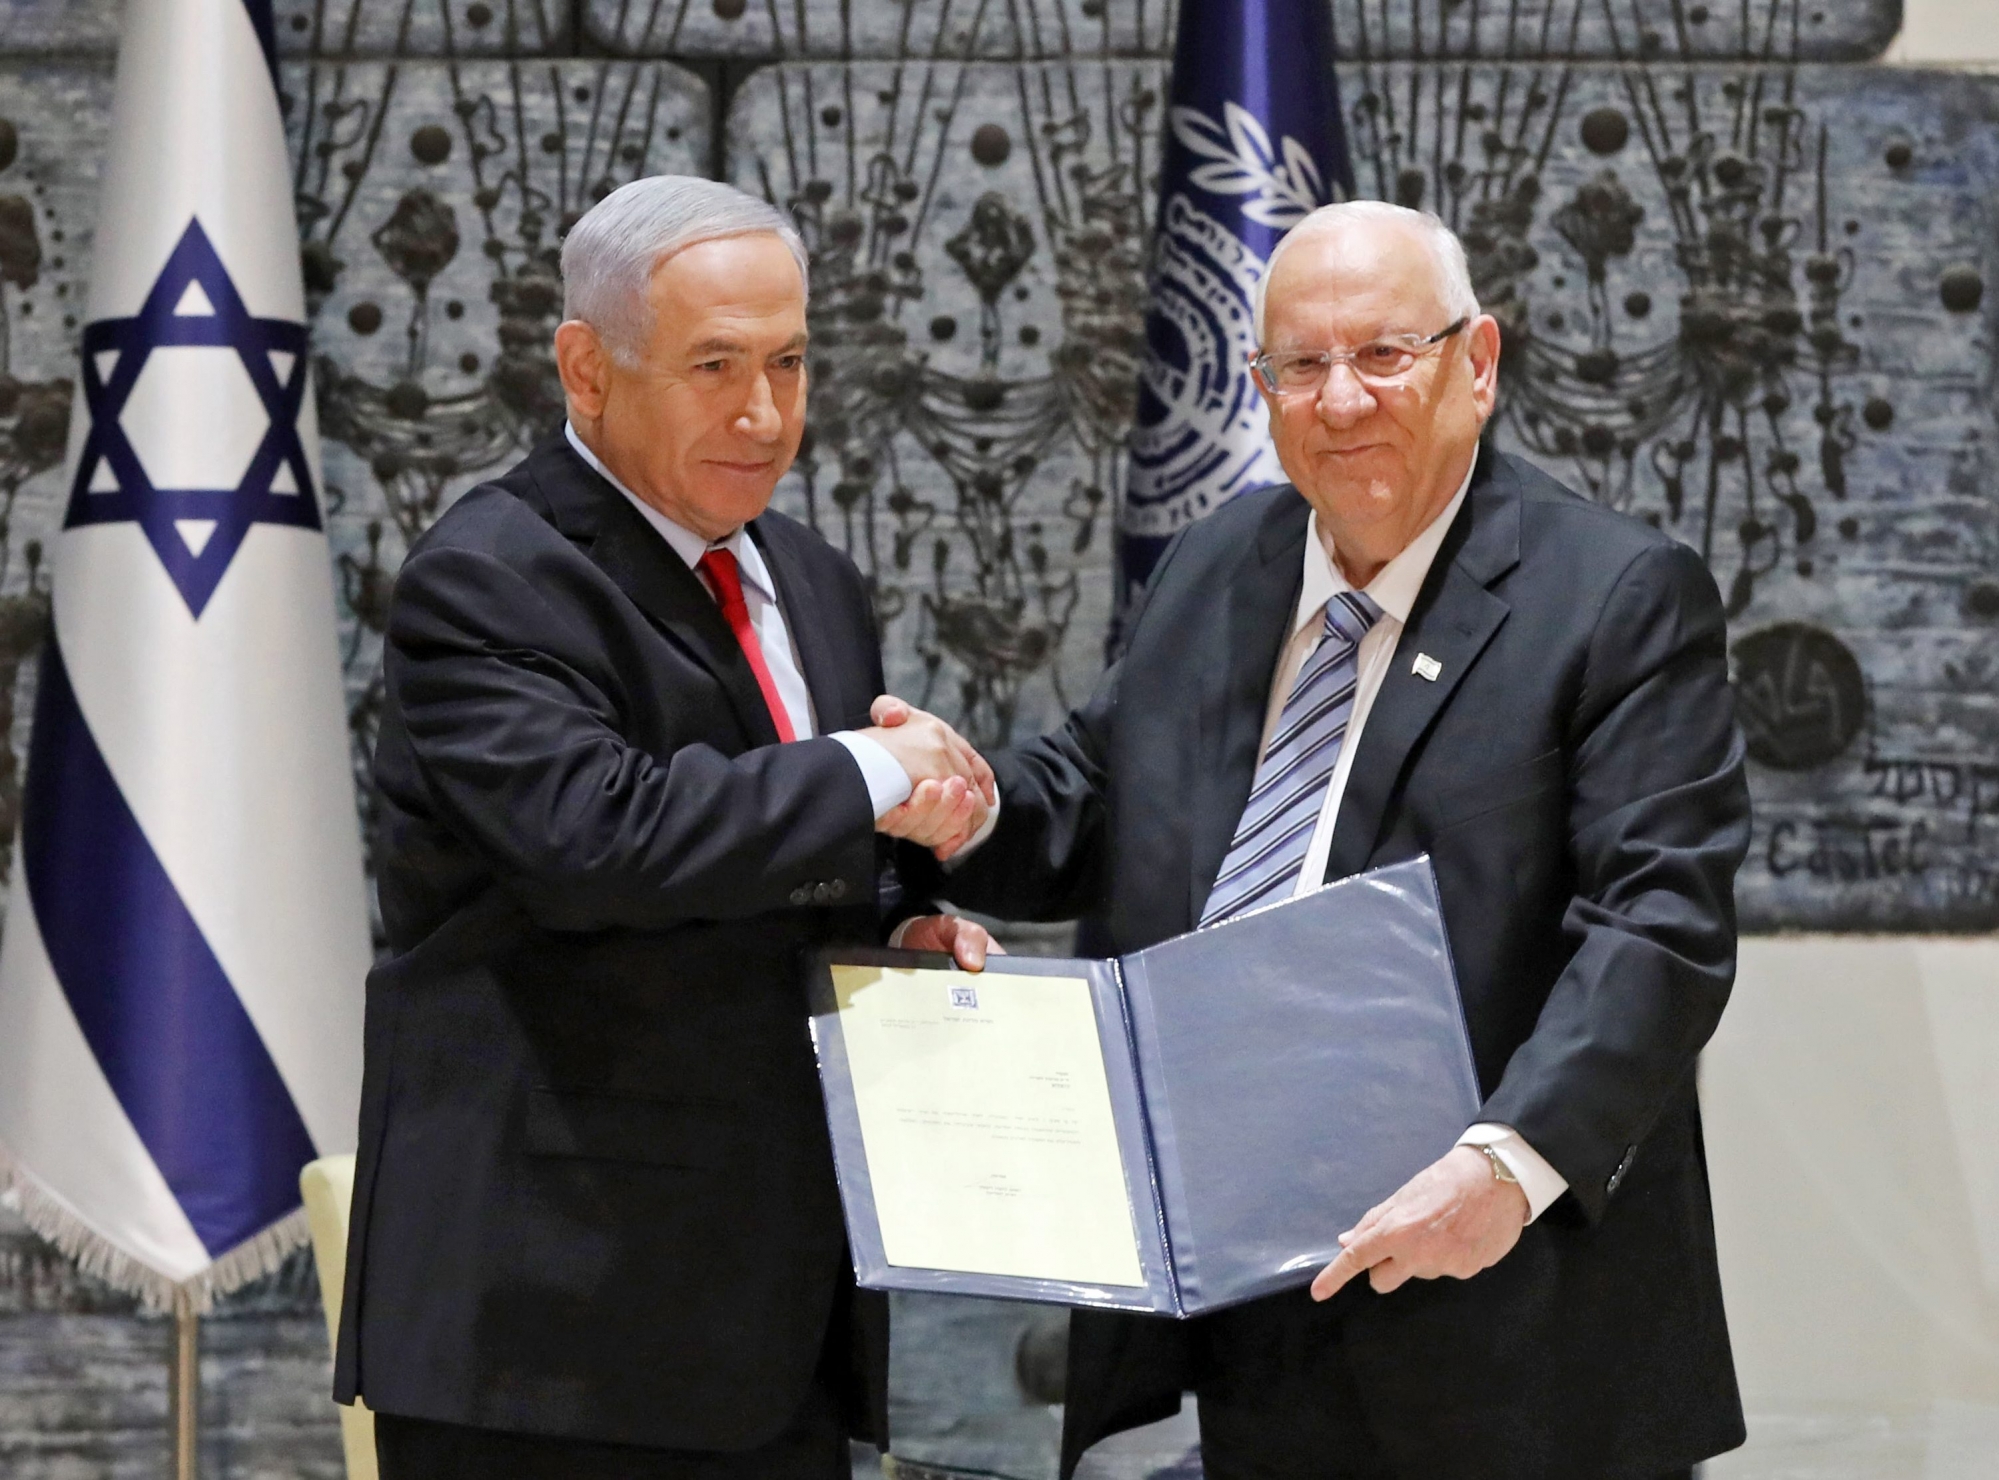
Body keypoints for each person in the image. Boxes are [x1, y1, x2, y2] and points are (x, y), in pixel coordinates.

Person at [925, 200, 1752, 1479]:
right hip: (1252, 1310)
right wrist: (954, 801)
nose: (1341, 399)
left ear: (1477, 363)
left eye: (1384, 354)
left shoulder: (1616, 598)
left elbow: (1658, 928)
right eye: (1301, 366)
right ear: (1259, 389)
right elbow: (1091, 794)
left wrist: (1506, 1164)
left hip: (1507, 1319)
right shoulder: (1218, 561)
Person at [333, 175, 1000, 1479]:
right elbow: (599, 842)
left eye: (789, 362)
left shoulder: (811, 577)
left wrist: (897, 931)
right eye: (713, 366)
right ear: (585, 370)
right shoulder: (489, 576)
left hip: (772, 1333)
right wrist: (868, 769)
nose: (763, 414)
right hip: (549, 1340)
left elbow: (786, 875)